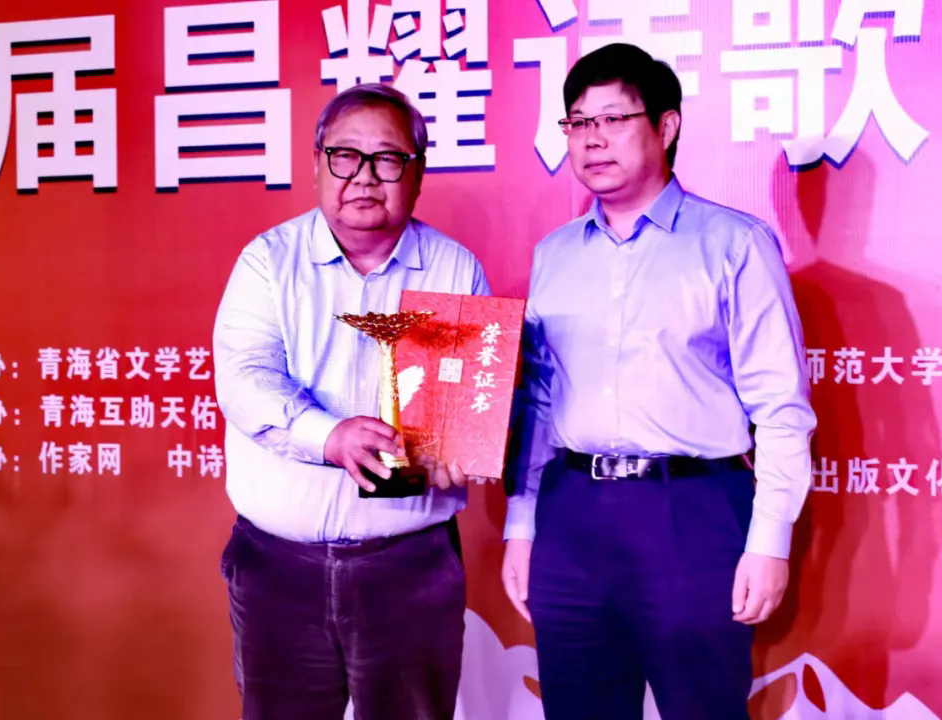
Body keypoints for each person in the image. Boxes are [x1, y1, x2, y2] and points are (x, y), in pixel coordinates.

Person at [501, 43, 817, 719]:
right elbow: (539, 401)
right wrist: (521, 526)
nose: (592, 140)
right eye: (578, 123)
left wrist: (769, 540)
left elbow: (781, 408)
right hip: (571, 512)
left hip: (692, 511)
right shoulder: (555, 255)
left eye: (613, 119)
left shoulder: (734, 243)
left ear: (666, 126)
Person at [213, 83, 490, 720]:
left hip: (410, 566)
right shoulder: (268, 263)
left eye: (387, 159)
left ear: (417, 172)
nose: (364, 177)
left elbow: (472, 402)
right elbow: (245, 377)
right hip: (279, 566)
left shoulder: (455, 271)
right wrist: (329, 436)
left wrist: (469, 444)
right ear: (317, 163)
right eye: (345, 156)